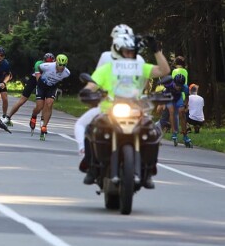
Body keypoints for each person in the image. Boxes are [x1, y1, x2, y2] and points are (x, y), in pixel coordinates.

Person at [79, 32, 170, 188]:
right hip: (110, 110)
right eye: (127, 51)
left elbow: (163, 71)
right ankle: (92, 168)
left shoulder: (140, 67)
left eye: (132, 52)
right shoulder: (107, 69)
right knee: (90, 128)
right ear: (119, 52)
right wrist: (88, 91)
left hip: (137, 110)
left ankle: (148, 170)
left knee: (153, 132)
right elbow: (92, 84)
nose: (130, 55)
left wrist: (156, 50)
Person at [75, 24, 145, 155]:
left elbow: (96, 81)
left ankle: (84, 152)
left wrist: (96, 93)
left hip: (115, 102)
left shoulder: (106, 56)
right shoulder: (139, 59)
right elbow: (143, 81)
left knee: (83, 125)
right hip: (130, 103)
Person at [3, 52, 55, 126]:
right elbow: (38, 80)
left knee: (47, 102)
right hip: (35, 79)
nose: (48, 65)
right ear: (43, 61)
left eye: (50, 63)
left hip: (47, 81)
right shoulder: (38, 64)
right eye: (46, 63)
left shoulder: (56, 66)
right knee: (22, 100)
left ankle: (43, 121)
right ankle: (8, 117)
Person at [30, 54, 70, 140]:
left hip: (52, 87)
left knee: (49, 104)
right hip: (41, 86)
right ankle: (34, 115)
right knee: (39, 106)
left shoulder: (67, 73)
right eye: (60, 64)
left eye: (64, 65)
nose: (62, 67)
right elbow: (38, 66)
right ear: (56, 63)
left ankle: (44, 126)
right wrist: (38, 76)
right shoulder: (47, 66)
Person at [158, 74, 191, 146]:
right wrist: (161, 104)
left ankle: (185, 135)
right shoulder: (169, 85)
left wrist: (185, 105)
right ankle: (174, 132)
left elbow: (187, 97)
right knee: (171, 111)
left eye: (180, 86)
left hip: (178, 98)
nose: (179, 87)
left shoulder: (185, 87)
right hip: (169, 98)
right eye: (177, 85)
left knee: (181, 112)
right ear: (174, 83)